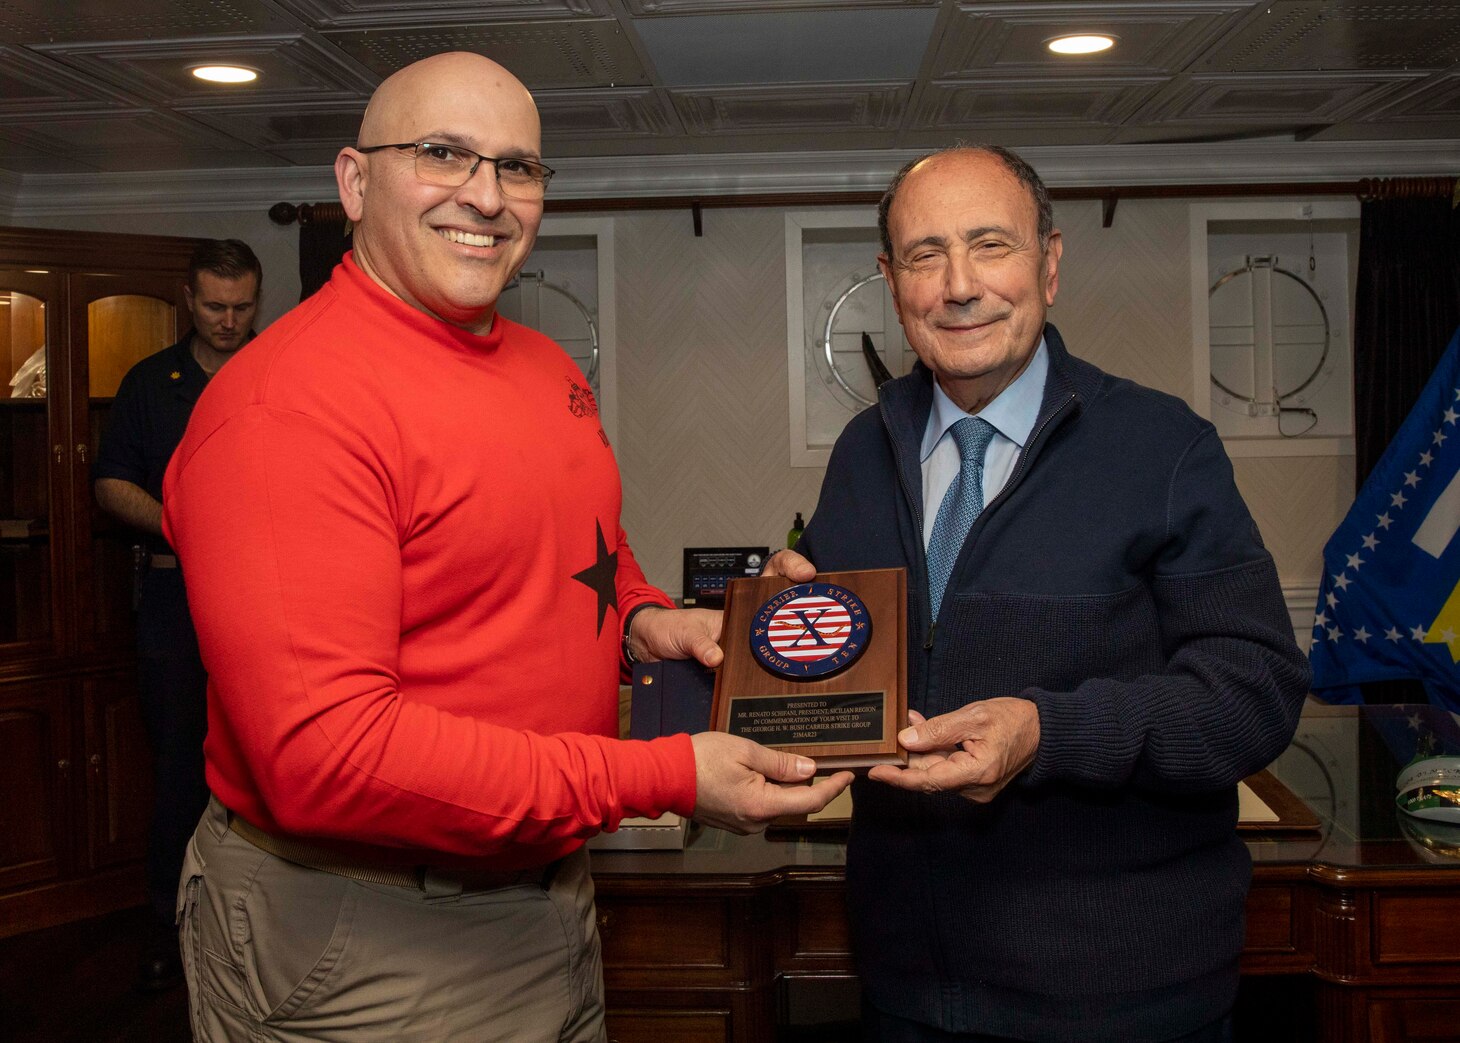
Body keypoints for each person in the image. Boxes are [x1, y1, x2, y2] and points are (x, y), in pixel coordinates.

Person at [160, 51, 851, 1043]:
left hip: (546, 890)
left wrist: (648, 617)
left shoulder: (539, 361)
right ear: (354, 183)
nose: (484, 196)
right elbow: (325, 755)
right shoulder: (288, 408)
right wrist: (659, 773)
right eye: (442, 154)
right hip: (367, 931)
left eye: (517, 166)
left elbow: (584, 555)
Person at [766, 145, 1311, 1042]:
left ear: (1049, 265)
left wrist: (1048, 731)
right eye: (924, 255)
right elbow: (859, 659)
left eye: (990, 245)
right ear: (891, 281)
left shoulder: (1164, 448)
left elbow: (1255, 694)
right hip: (907, 990)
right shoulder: (862, 453)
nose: (959, 285)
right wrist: (797, 625)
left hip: (1125, 1000)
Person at [93, 238, 262, 992]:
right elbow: (107, 484)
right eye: (216, 306)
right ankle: (168, 920)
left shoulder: (281, 366)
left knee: (267, 757)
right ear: (188, 300)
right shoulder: (148, 383)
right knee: (181, 768)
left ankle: (261, 923)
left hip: (268, 596)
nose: (230, 321)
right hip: (175, 598)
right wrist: (178, 522)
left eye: (244, 306)